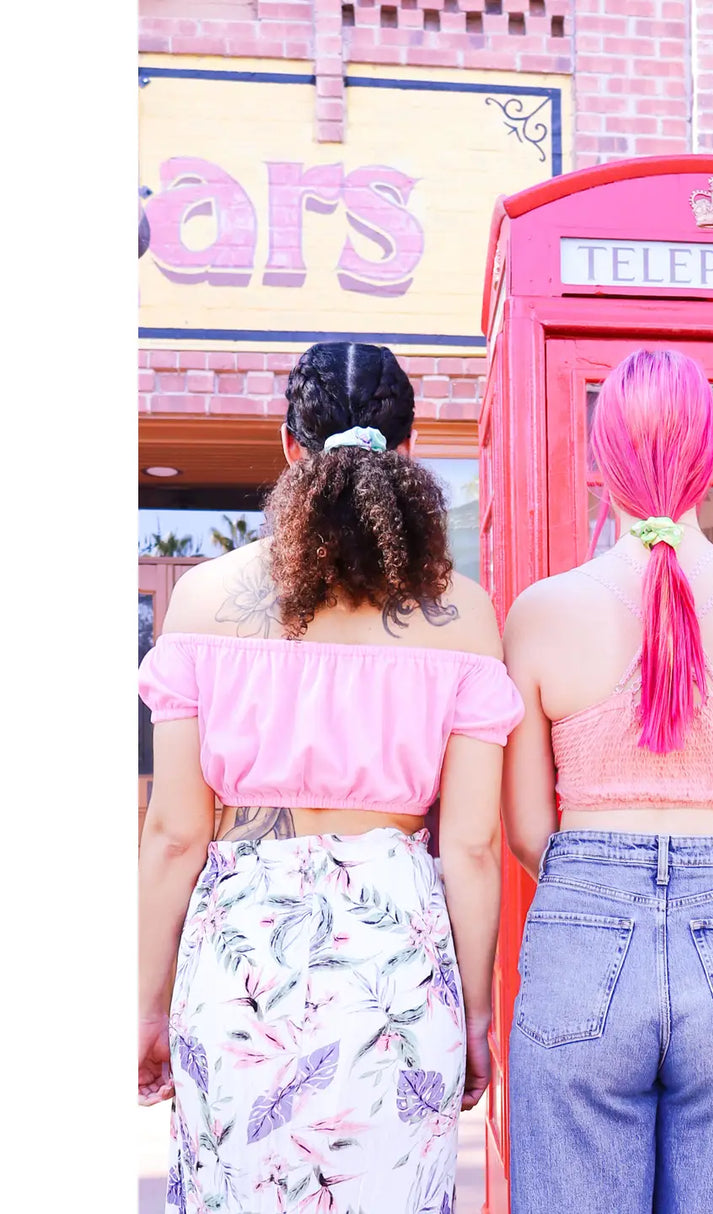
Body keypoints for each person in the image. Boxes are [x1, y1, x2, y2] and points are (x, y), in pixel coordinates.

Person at [136, 342, 522, 1214]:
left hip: (240, 968)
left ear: (289, 447)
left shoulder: (202, 602)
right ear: (408, 452)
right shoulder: (463, 617)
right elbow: (469, 846)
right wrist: (476, 1014)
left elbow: (174, 835)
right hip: (396, 970)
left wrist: (146, 1005)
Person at [501, 348, 713, 1213]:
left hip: (581, 925)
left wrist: (604, 884)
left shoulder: (540, 612)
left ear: (601, 460)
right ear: (711, 458)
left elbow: (528, 831)